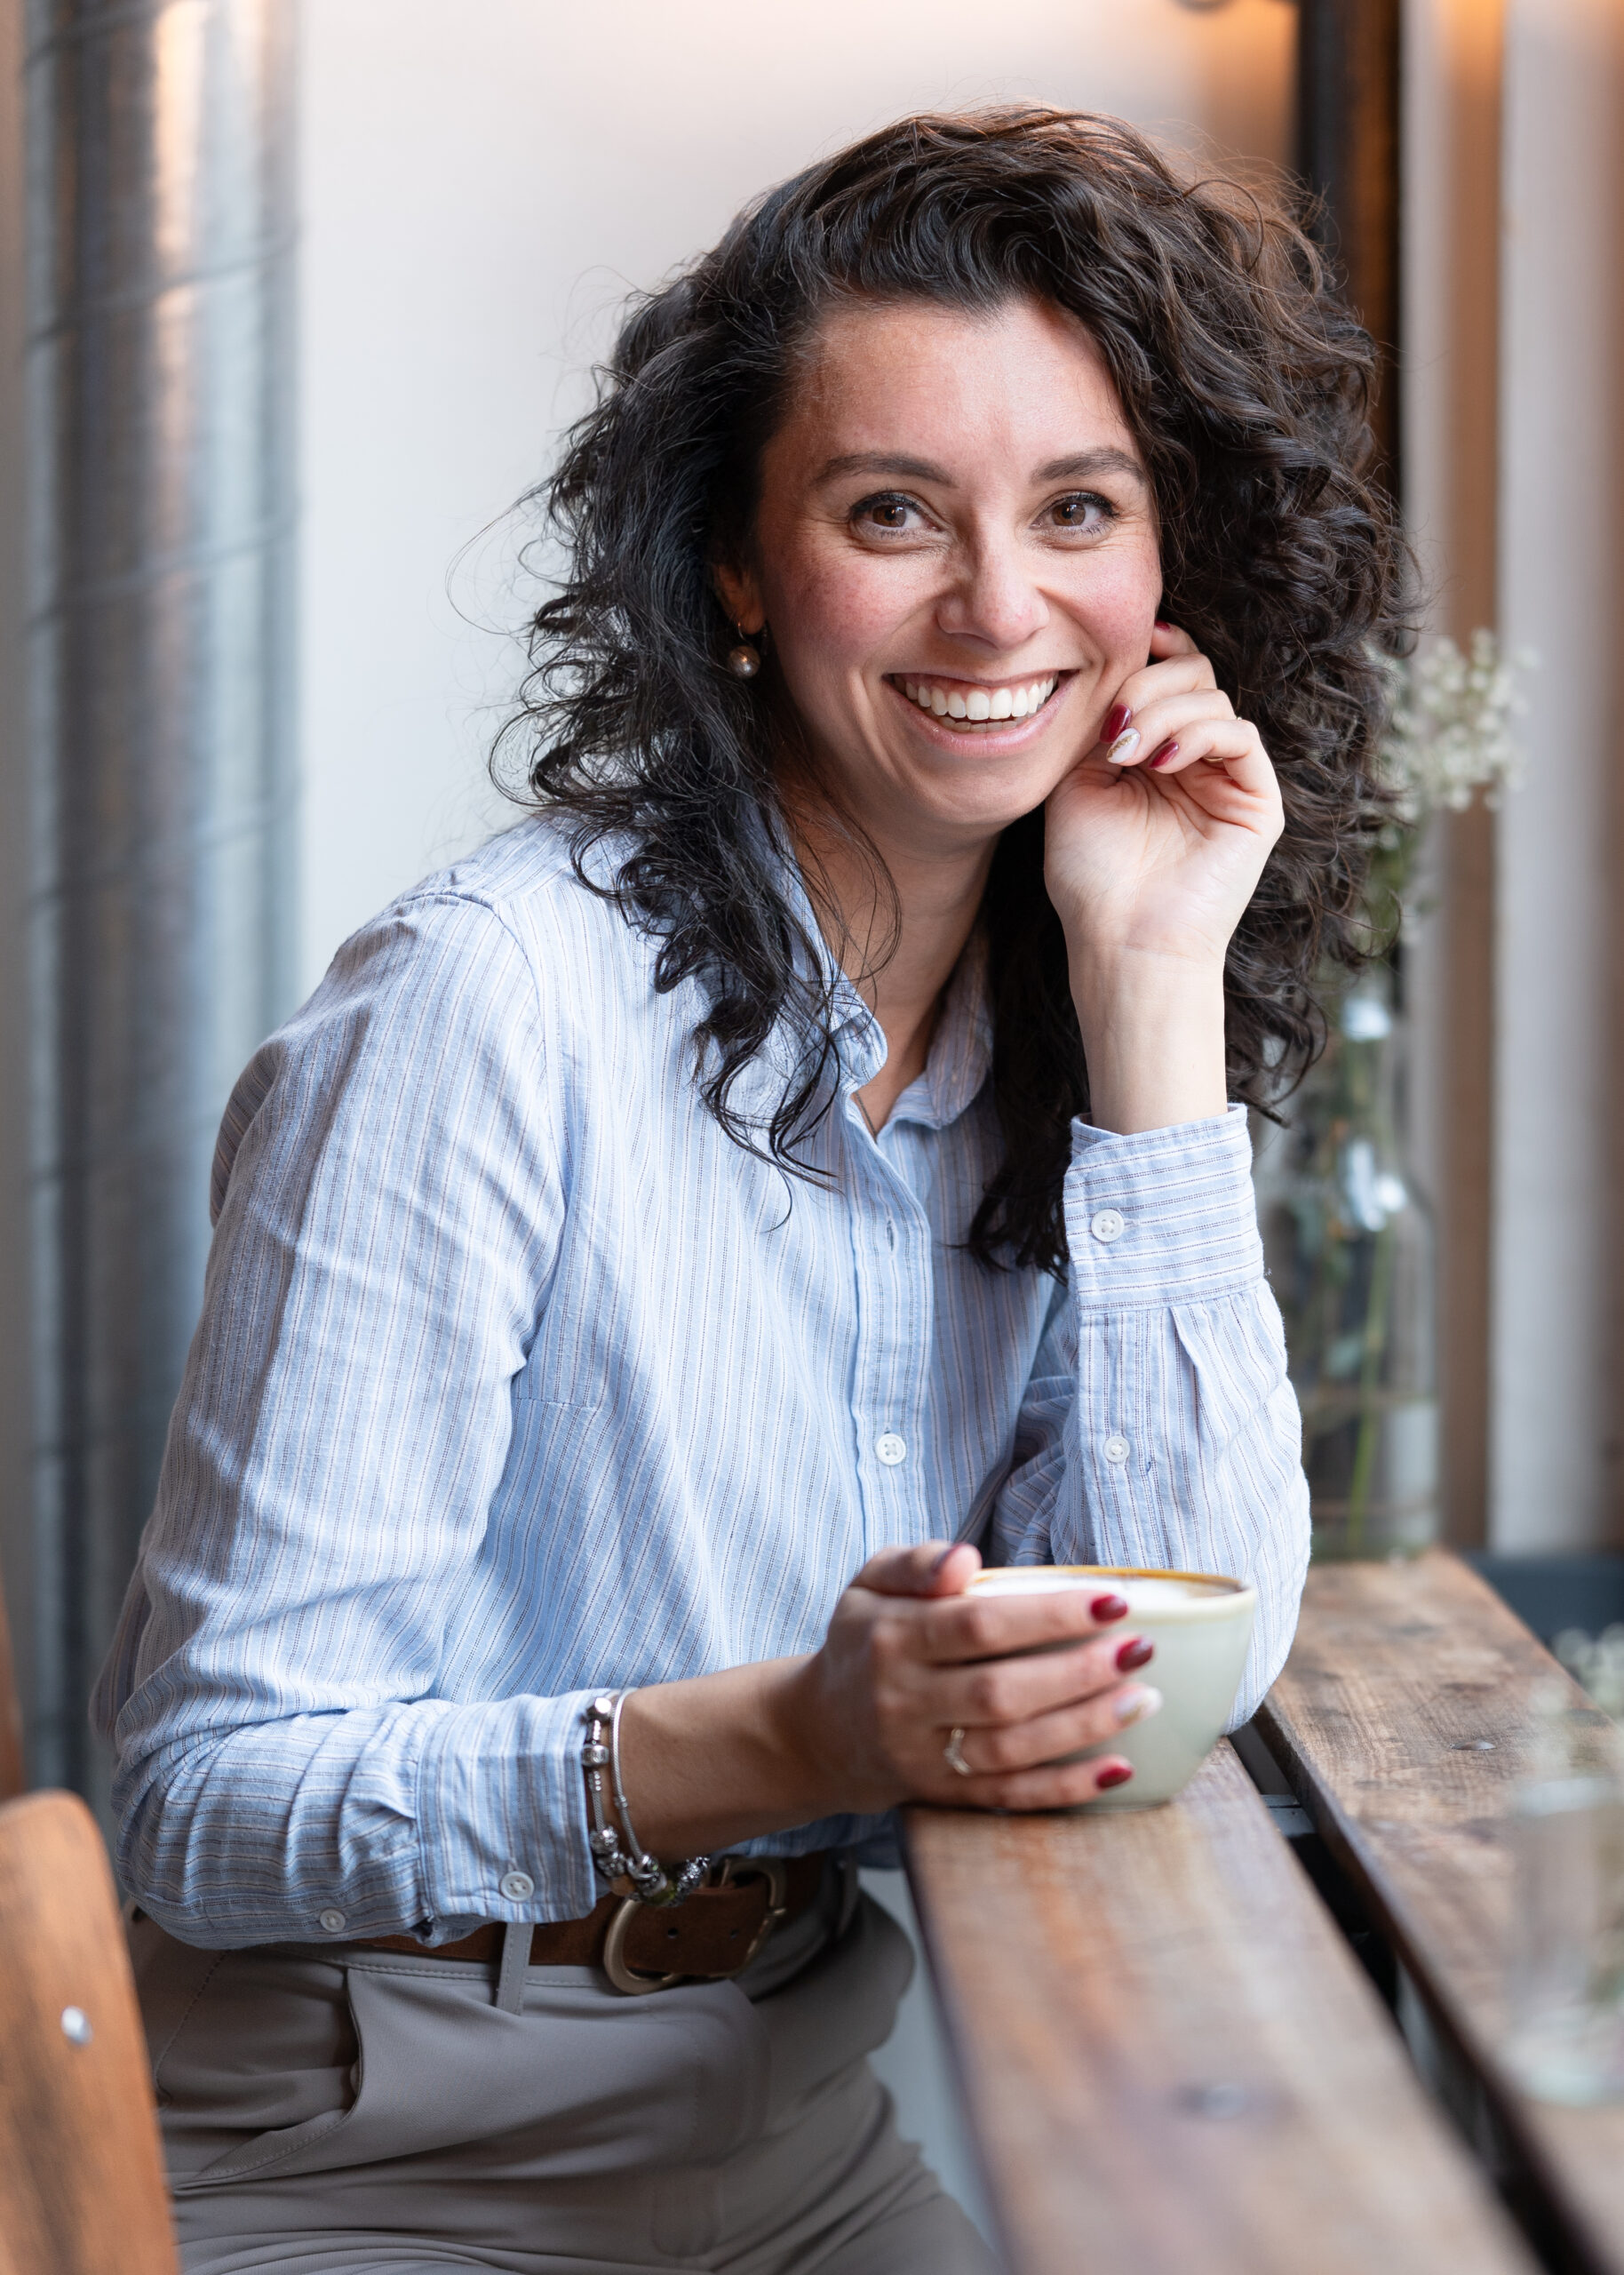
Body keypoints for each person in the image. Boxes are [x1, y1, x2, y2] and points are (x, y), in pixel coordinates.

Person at [95, 108, 1404, 2275]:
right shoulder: (484, 1009)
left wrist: (1151, 982)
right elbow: (210, 1798)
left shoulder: (1061, 1000)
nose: (999, 603)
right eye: (893, 511)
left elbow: (1188, 1642)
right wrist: (793, 1732)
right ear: (731, 563)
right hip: (360, 2153)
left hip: (790, 2118)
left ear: (1169, 572)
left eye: (1076, 508)